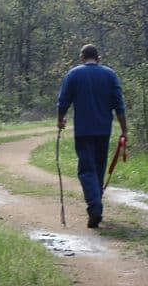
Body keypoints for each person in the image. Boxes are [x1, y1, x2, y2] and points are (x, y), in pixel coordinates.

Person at [56, 44, 127, 228]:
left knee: (86, 170)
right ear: (99, 58)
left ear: (82, 58)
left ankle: (94, 206)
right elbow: (119, 104)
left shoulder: (73, 74)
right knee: (98, 168)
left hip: (83, 131)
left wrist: (60, 119)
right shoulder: (110, 75)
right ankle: (96, 205)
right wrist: (124, 129)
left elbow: (63, 101)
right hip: (104, 130)